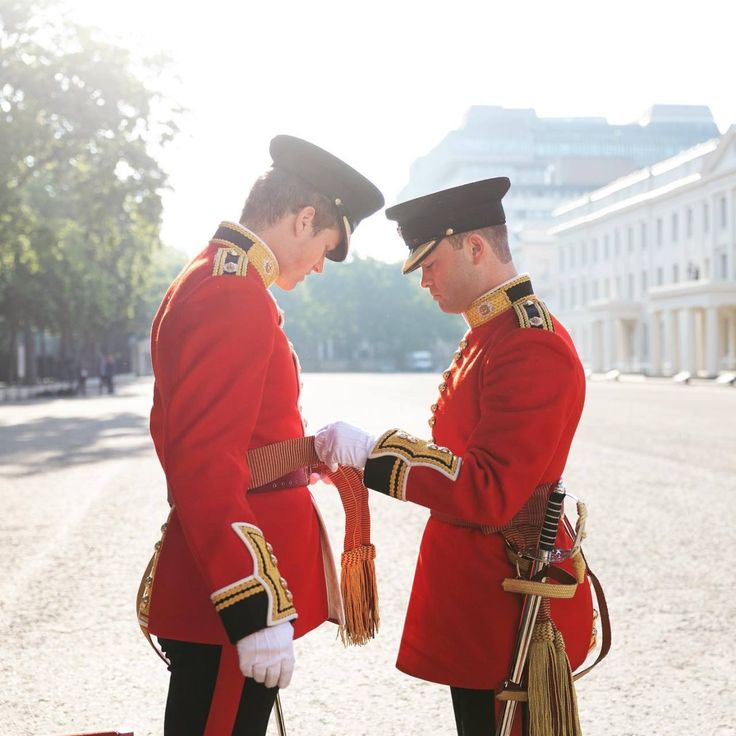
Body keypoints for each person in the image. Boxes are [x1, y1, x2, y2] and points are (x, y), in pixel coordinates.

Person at [314, 178, 594, 736]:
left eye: (430, 263)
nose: (425, 281)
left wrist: (377, 454)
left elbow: (487, 490)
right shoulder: (489, 335)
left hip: (511, 598)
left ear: (474, 247)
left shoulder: (529, 343)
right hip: (480, 595)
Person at [138, 135, 383, 736]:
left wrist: (310, 449)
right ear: (304, 219)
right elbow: (204, 462)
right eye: (326, 246)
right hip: (229, 596)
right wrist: (249, 607)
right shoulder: (232, 293)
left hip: (228, 584)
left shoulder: (229, 281)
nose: (320, 265)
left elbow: (239, 442)